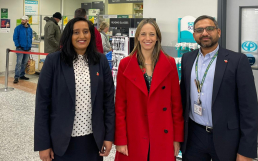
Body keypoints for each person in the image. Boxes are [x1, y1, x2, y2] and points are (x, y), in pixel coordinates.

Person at [35, 17, 115, 161]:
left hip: (93, 141)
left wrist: (109, 136)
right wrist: (43, 144)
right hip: (61, 142)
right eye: (76, 32)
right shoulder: (54, 61)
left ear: (91, 34)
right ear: (68, 36)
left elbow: (108, 101)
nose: (81, 36)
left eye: (86, 32)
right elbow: (42, 104)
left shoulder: (100, 61)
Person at [180, 15, 258, 161]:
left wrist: (247, 150)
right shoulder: (187, 59)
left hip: (226, 137)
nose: (204, 33)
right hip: (193, 136)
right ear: (194, 35)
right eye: (199, 30)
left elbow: (250, 109)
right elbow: (183, 99)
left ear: (218, 32)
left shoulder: (237, 60)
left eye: (209, 28)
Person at [115, 19, 184, 161]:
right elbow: (120, 105)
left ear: (158, 38)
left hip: (162, 133)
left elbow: (176, 105)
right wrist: (120, 139)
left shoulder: (169, 63)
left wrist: (176, 138)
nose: (148, 38)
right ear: (138, 37)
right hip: (134, 131)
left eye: (152, 34)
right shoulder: (125, 64)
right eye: (143, 34)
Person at [13, 16, 33, 83]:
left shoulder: (30, 29)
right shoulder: (18, 28)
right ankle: (16, 77)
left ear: (27, 21)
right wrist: (18, 46)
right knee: (19, 63)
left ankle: (22, 75)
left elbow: (30, 38)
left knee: (24, 63)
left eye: (24, 20)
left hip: (27, 48)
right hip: (20, 48)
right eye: (22, 20)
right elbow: (15, 37)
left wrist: (30, 47)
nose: (22, 21)